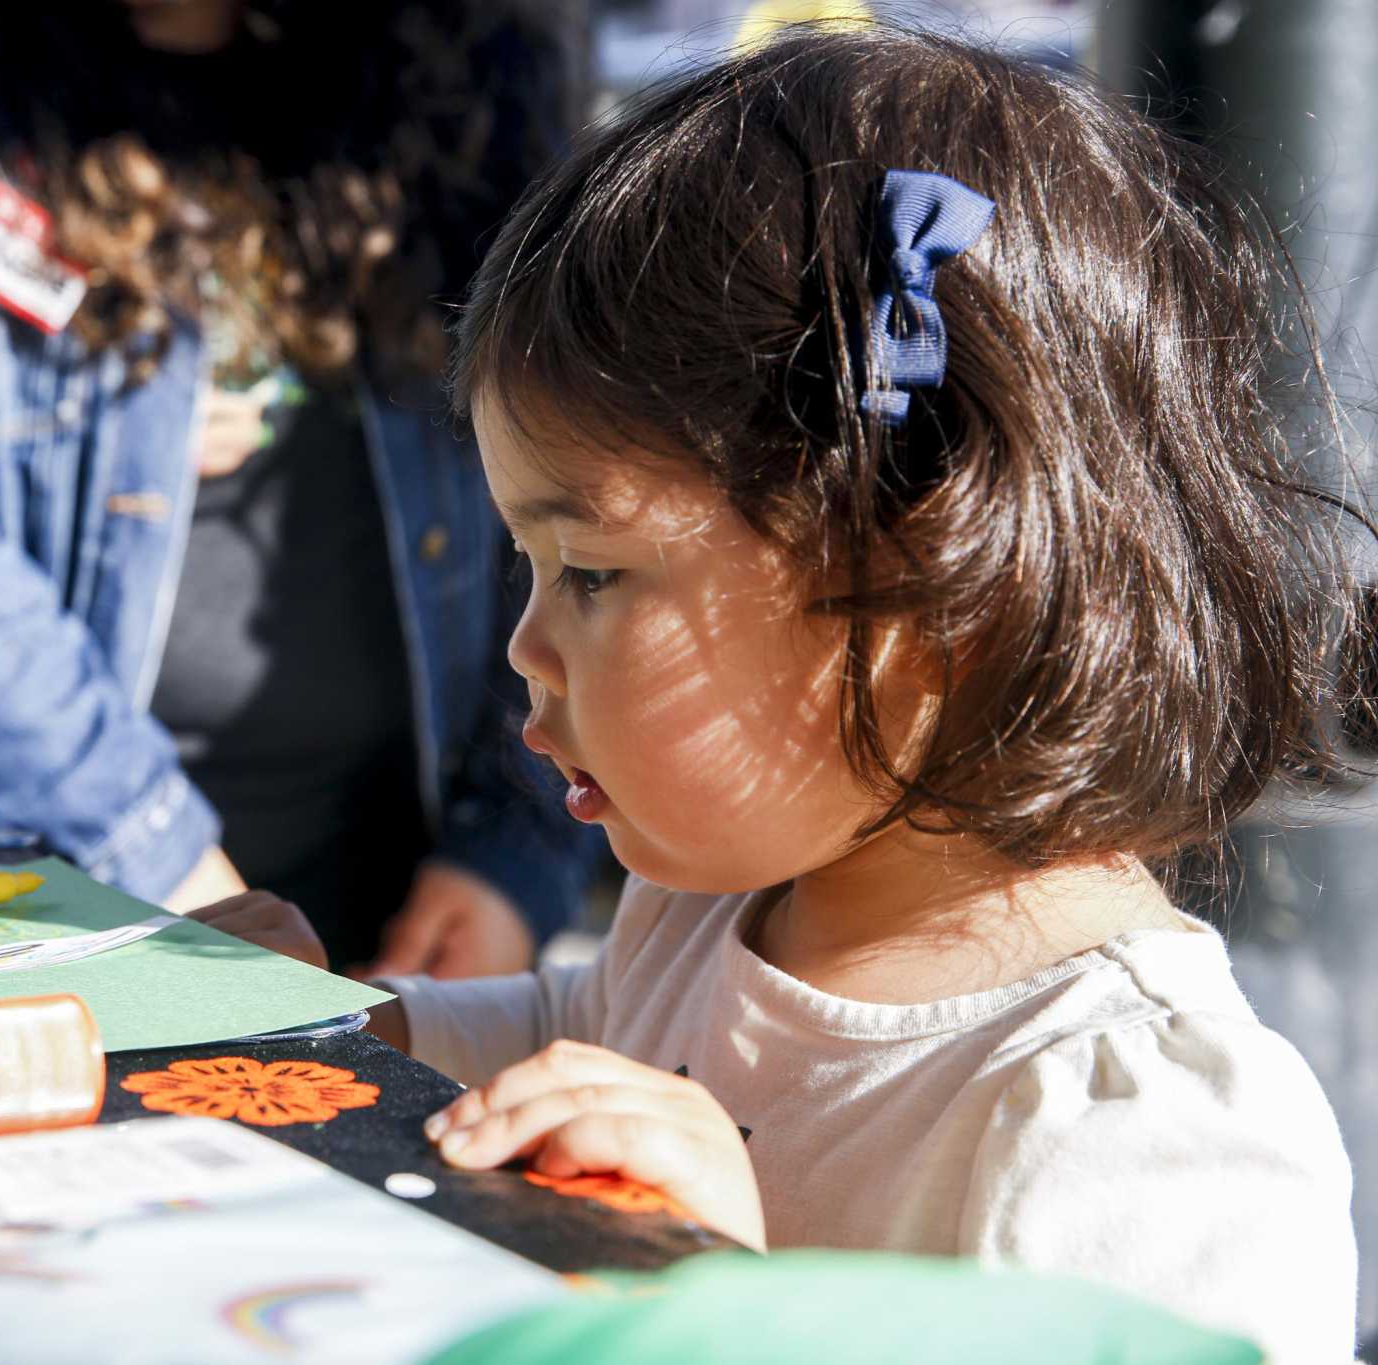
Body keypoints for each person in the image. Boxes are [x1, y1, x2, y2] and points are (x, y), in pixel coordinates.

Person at [193, 24, 1371, 1359]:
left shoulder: (1137, 1131)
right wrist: (350, 1027)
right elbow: (570, 1032)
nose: (521, 647)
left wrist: (744, 1310)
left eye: (589, 572)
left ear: (919, 587)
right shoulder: (707, 904)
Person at [0, 0, 600, 973]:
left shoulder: (485, 52)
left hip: (379, 923)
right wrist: (154, 848)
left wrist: (510, 857)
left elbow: (571, 488)